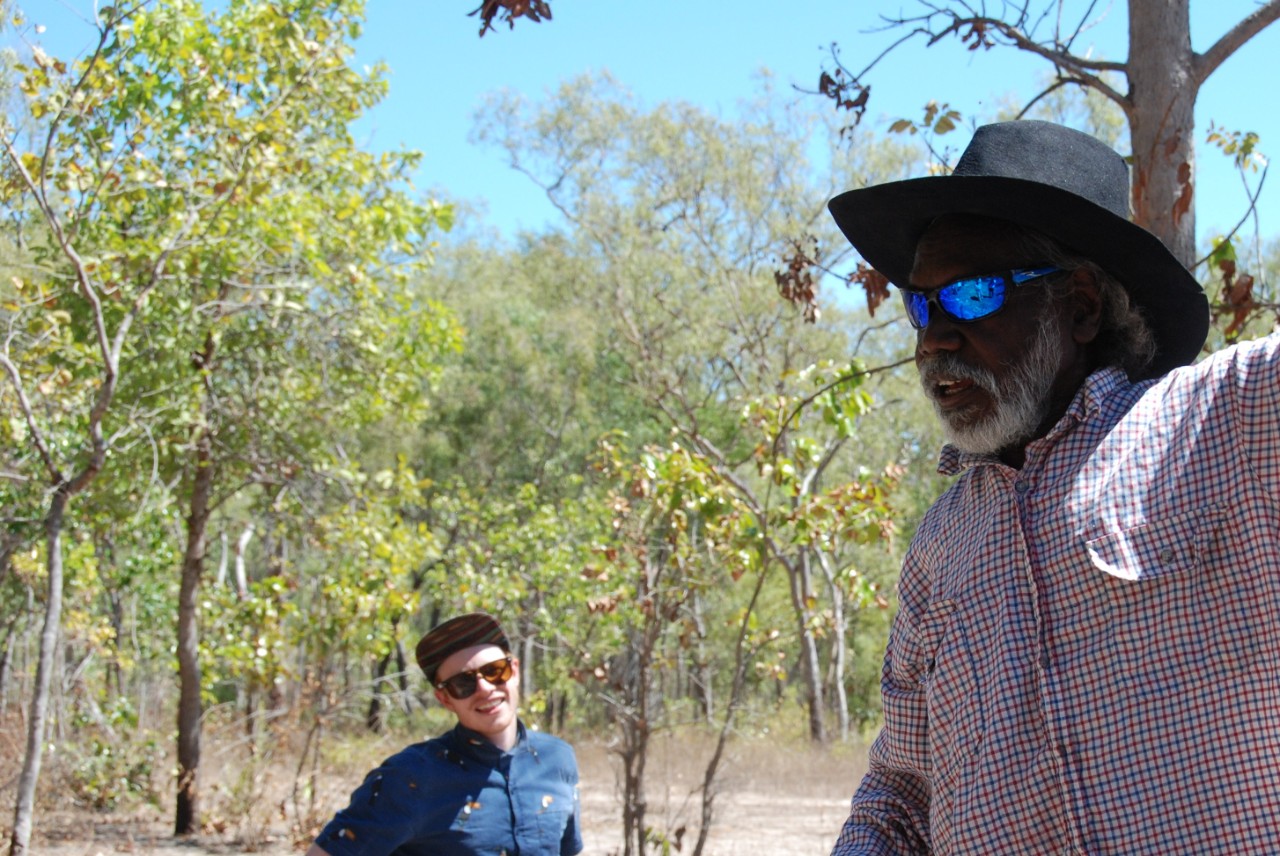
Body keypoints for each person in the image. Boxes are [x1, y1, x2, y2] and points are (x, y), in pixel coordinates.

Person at [825, 120, 1280, 853]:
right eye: (921, 305)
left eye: (972, 295)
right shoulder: (940, 548)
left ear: (1080, 305)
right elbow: (904, 796)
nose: (933, 336)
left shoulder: (1220, 424)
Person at [307, 612, 583, 856]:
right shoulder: (411, 777)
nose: (485, 688)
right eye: (463, 683)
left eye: (494, 671)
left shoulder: (557, 759)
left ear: (515, 671)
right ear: (445, 699)